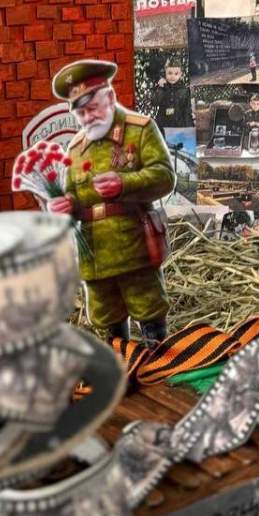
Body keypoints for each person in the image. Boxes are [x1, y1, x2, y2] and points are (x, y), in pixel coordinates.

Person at [47, 60, 175, 344]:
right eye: (81, 113)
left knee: (148, 308)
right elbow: (75, 196)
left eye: (92, 108)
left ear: (110, 97)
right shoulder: (76, 148)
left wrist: (125, 183)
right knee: (108, 318)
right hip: (95, 254)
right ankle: (120, 359)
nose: (87, 117)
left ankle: (156, 354)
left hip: (133, 245)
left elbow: (165, 177)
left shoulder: (139, 130)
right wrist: (66, 206)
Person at [152, 57, 193, 132]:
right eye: (170, 73)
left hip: (178, 128)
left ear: (180, 74)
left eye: (176, 74)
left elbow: (187, 112)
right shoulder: (162, 88)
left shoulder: (184, 90)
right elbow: (154, 102)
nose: (173, 76)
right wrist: (160, 88)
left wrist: (188, 130)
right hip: (163, 127)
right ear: (165, 73)